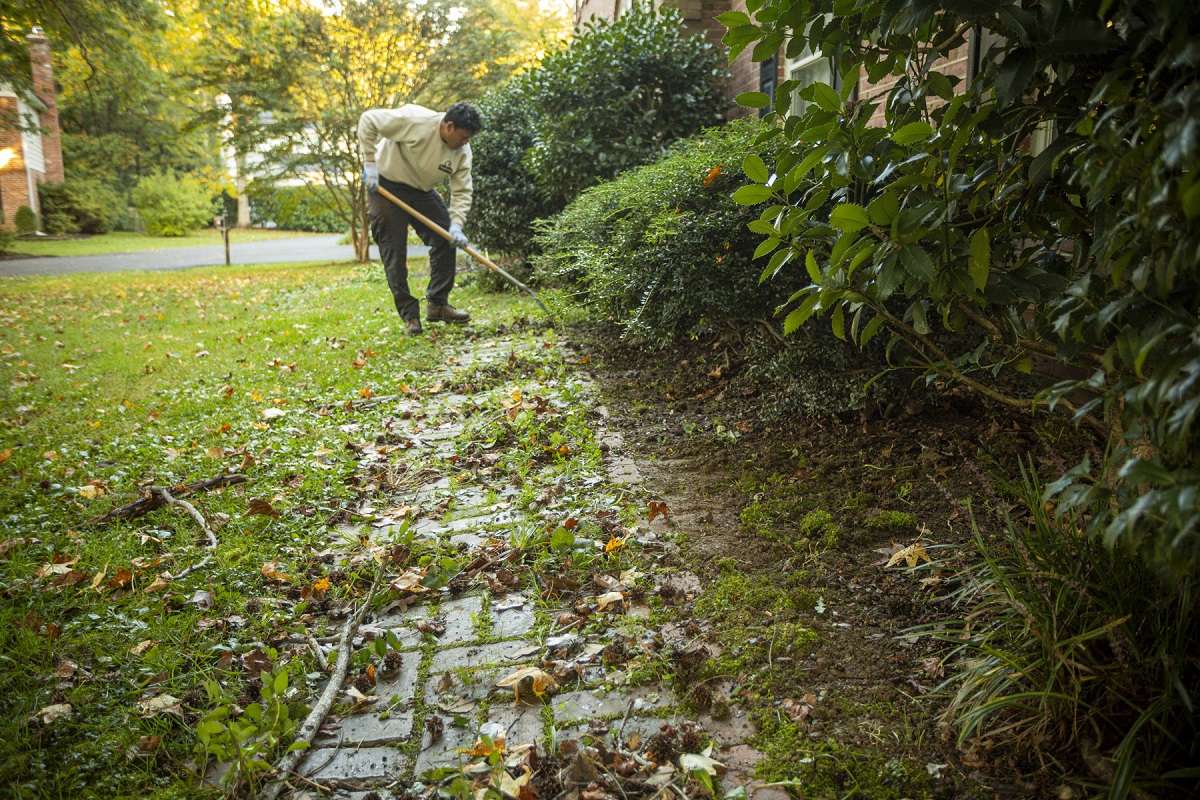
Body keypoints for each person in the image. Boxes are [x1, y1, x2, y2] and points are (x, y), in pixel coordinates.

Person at [358, 102, 482, 335]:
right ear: (448, 126)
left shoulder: (462, 152)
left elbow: (462, 190)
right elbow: (368, 120)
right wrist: (369, 164)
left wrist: (456, 225)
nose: (466, 143)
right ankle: (410, 316)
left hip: (421, 191)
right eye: (463, 137)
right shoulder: (415, 120)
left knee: (445, 237)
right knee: (394, 251)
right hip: (385, 184)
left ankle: (437, 304)